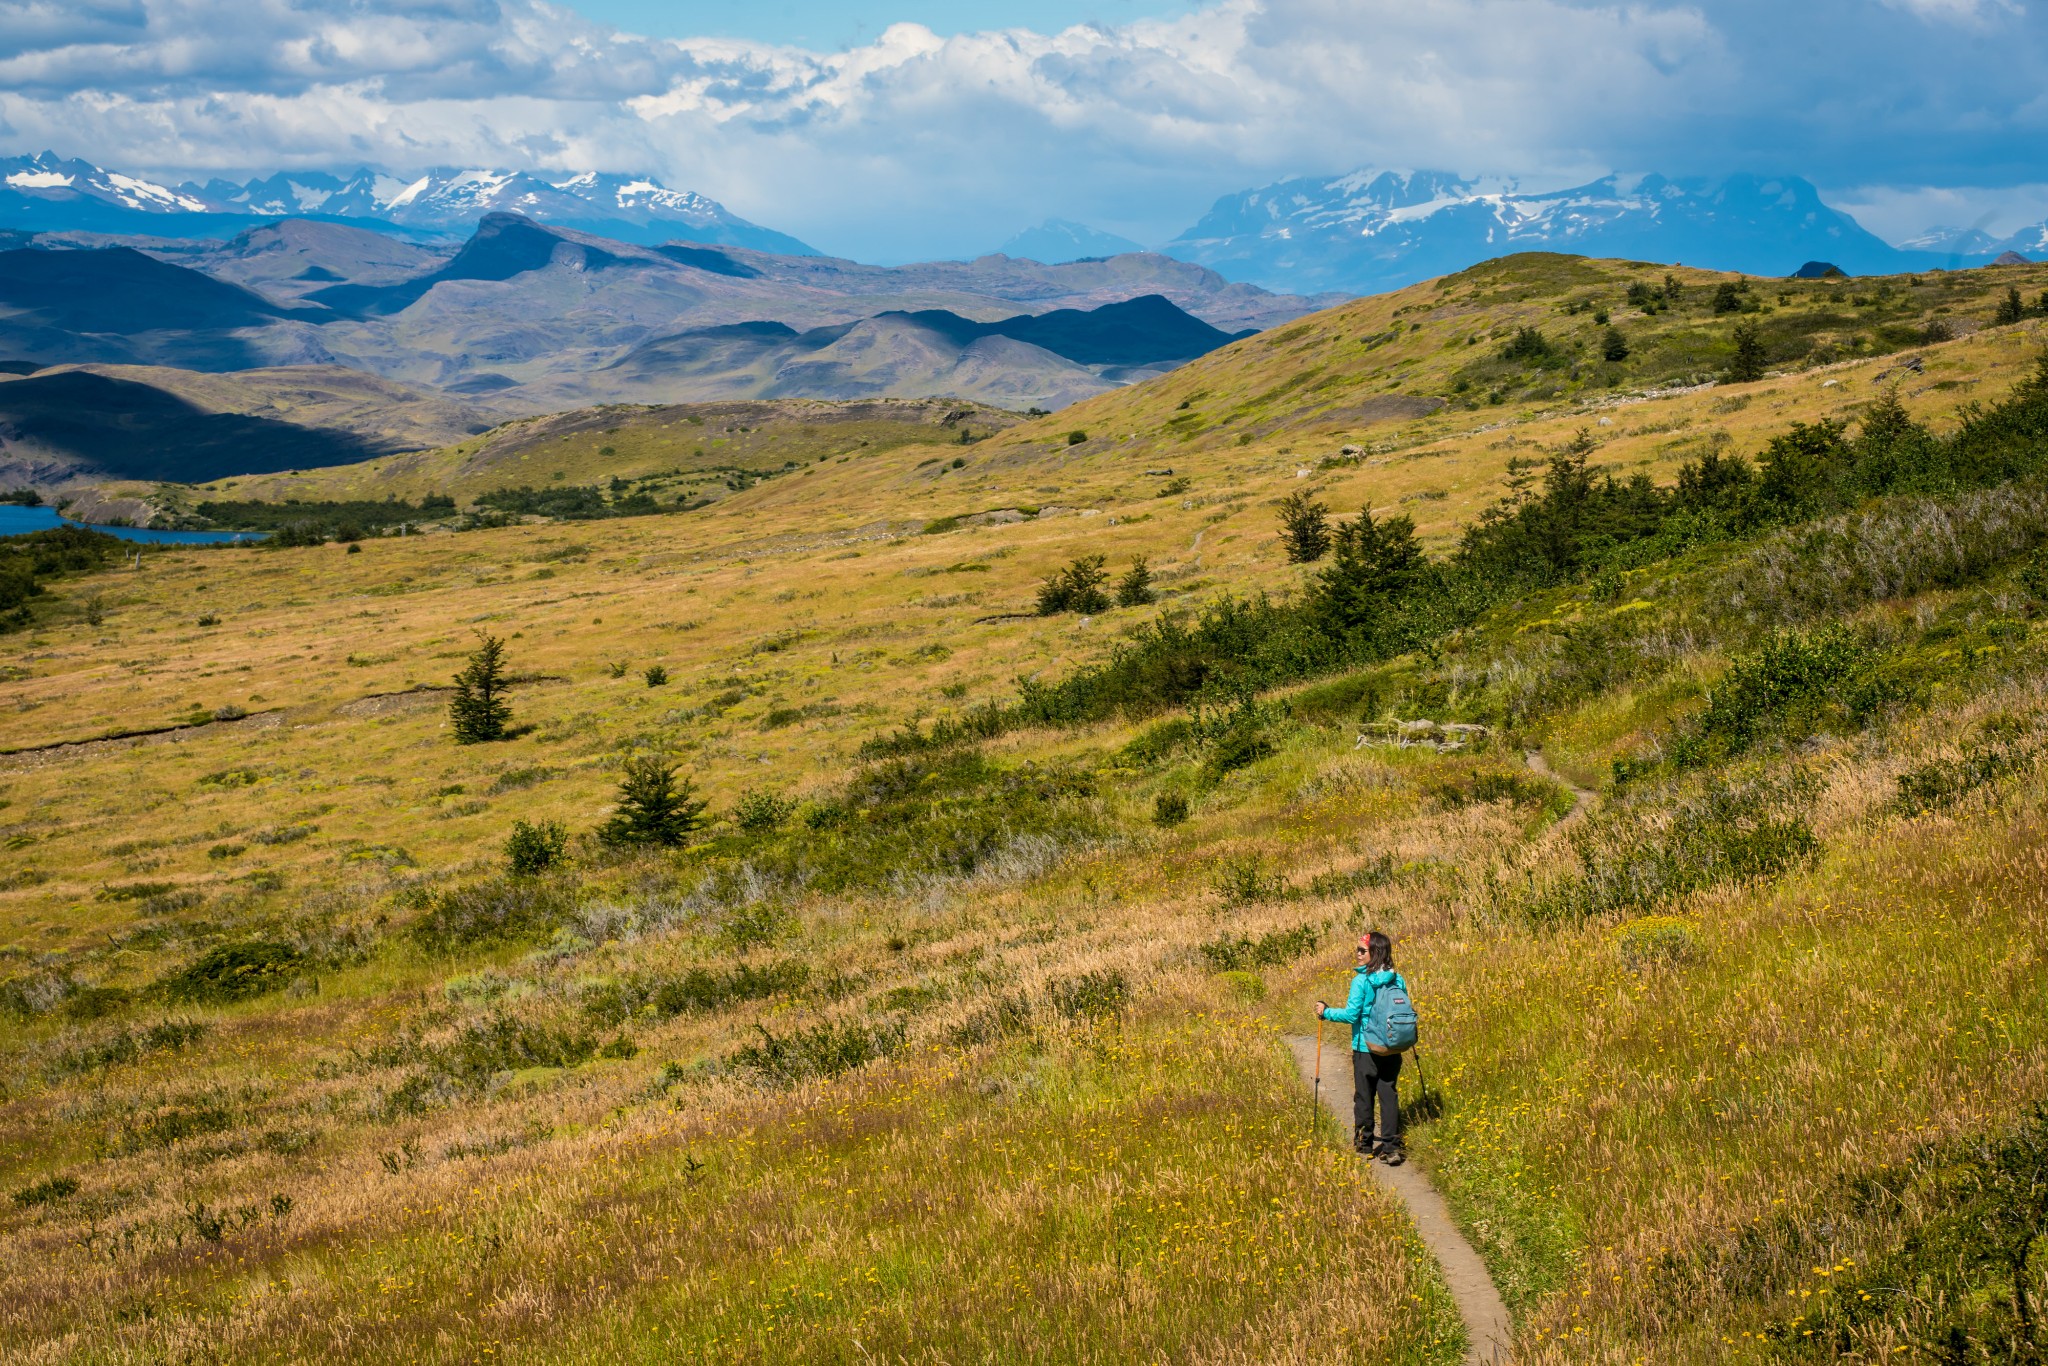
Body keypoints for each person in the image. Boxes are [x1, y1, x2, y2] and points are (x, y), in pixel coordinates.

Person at [1317, 931, 1407, 1164]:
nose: (1357, 954)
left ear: (1375, 953)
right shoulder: (1398, 979)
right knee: (1389, 1096)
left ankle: (1364, 1143)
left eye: (1362, 950)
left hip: (1365, 1048)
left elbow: (1351, 1014)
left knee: (1364, 1096)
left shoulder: (1361, 981)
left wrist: (1326, 1012)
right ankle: (1391, 1147)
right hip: (1392, 1047)